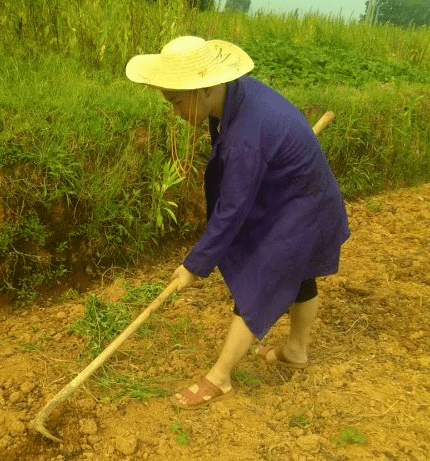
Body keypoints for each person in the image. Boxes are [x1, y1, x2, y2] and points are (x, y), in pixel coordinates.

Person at [125, 36, 350, 409]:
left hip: (304, 204)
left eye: (177, 102)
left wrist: (193, 266)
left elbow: (232, 209)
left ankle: (220, 378)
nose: (175, 111)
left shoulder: (247, 131)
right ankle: (296, 351)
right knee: (299, 273)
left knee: (265, 275)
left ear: (206, 87)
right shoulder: (233, 97)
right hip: (293, 192)